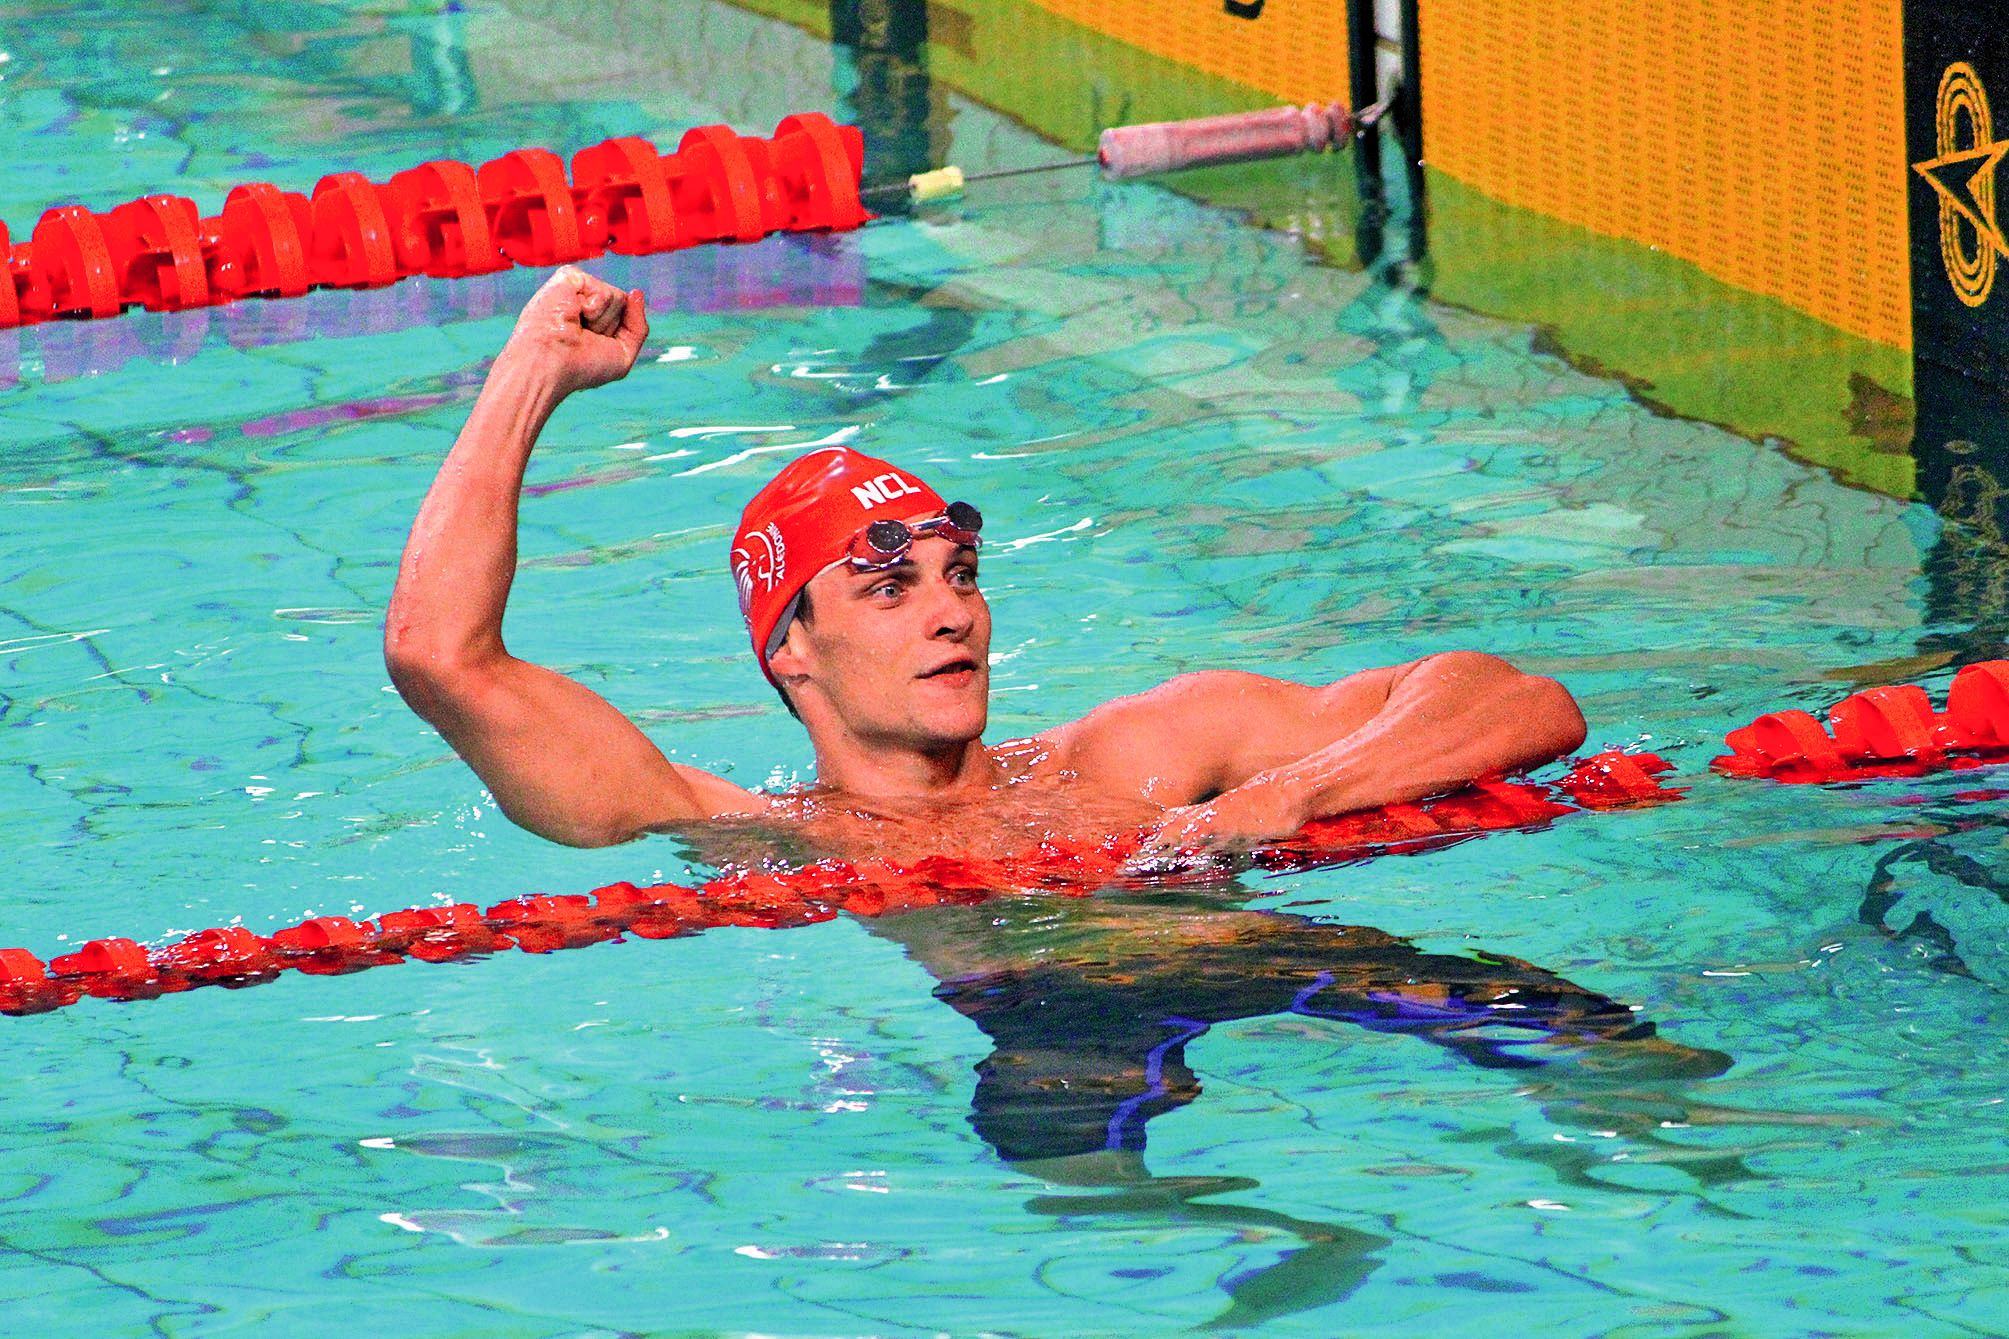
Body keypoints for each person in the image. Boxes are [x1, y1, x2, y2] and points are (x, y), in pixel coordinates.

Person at [384, 267, 1588, 859]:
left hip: (1329, 974)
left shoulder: (1143, 753)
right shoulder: (749, 833)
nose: (949, 613)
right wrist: (530, 371)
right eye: (888, 587)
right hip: (1056, 1038)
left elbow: (1519, 700)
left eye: (958, 574)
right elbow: (439, 657)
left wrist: (1289, 794)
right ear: (788, 649)